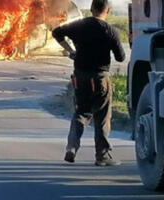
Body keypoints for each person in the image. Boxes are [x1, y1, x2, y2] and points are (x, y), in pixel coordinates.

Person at [52, 0, 125, 166]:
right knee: (102, 116)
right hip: (100, 78)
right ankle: (102, 155)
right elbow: (121, 57)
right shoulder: (110, 30)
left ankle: (71, 147)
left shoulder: (78, 25)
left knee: (80, 112)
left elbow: (56, 32)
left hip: (80, 76)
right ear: (107, 10)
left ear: (91, 9)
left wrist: (71, 51)